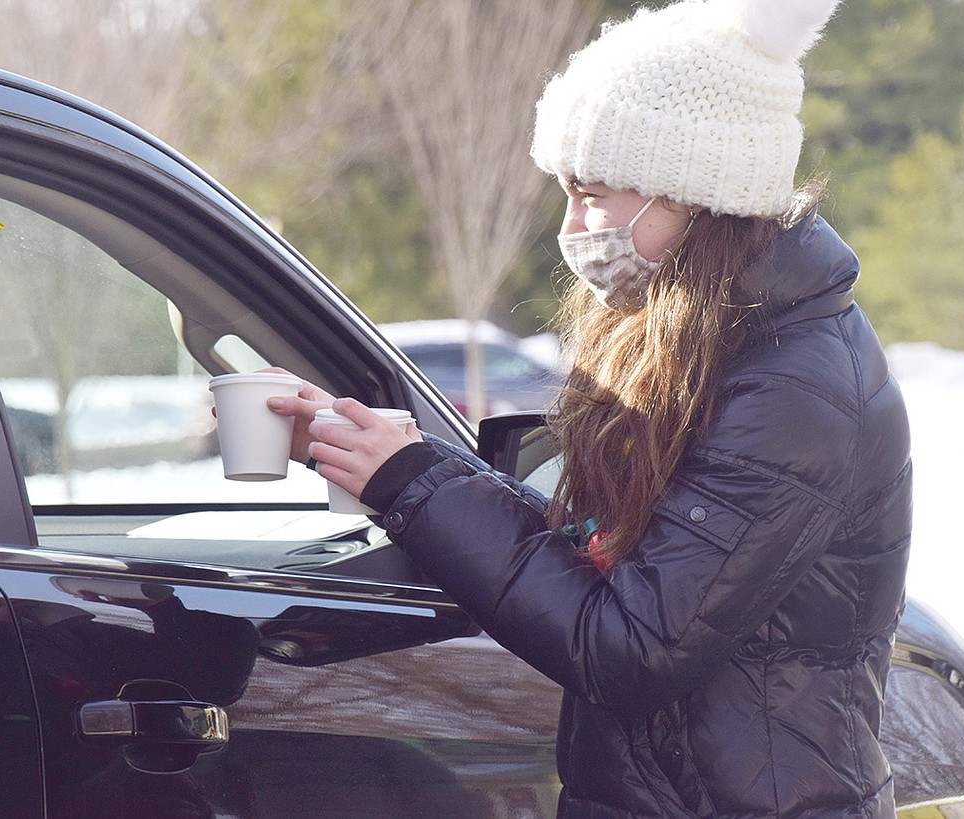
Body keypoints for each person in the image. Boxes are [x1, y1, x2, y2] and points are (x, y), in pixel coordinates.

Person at [268, 0, 912, 815]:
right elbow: (597, 555)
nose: (573, 229)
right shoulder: (700, 344)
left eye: (594, 196)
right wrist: (387, 456)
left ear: (693, 191)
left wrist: (416, 485)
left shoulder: (794, 389)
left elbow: (631, 643)